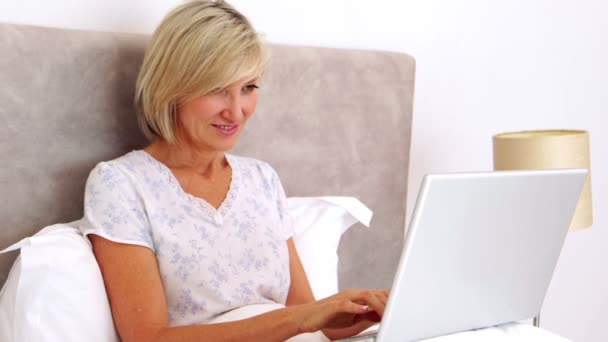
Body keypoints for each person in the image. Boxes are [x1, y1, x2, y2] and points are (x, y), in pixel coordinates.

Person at [80, 1, 388, 341]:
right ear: (171, 88)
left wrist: (363, 312)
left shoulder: (262, 179)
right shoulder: (121, 184)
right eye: (217, 90)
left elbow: (308, 317)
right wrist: (301, 319)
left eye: (249, 88)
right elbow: (148, 337)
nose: (237, 112)